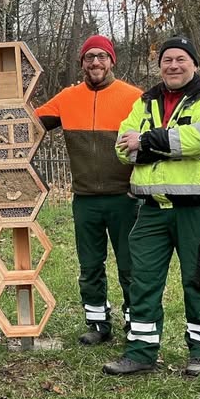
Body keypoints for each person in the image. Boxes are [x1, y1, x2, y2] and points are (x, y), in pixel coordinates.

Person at [103, 36, 200, 377]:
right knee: (141, 279)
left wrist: (144, 142)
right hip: (151, 210)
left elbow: (197, 140)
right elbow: (120, 147)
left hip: (195, 209)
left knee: (197, 279)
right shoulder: (145, 102)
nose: (173, 65)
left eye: (181, 59)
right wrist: (158, 144)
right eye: (166, 60)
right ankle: (141, 351)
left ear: (195, 64)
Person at [35, 35, 142, 345]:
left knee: (130, 265)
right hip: (85, 199)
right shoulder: (67, 98)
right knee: (90, 264)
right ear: (81, 63)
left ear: (112, 61)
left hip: (125, 197)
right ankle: (97, 324)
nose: (95, 62)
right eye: (89, 57)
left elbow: (153, 138)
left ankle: (135, 324)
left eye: (102, 56)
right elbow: (29, 124)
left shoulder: (135, 96)